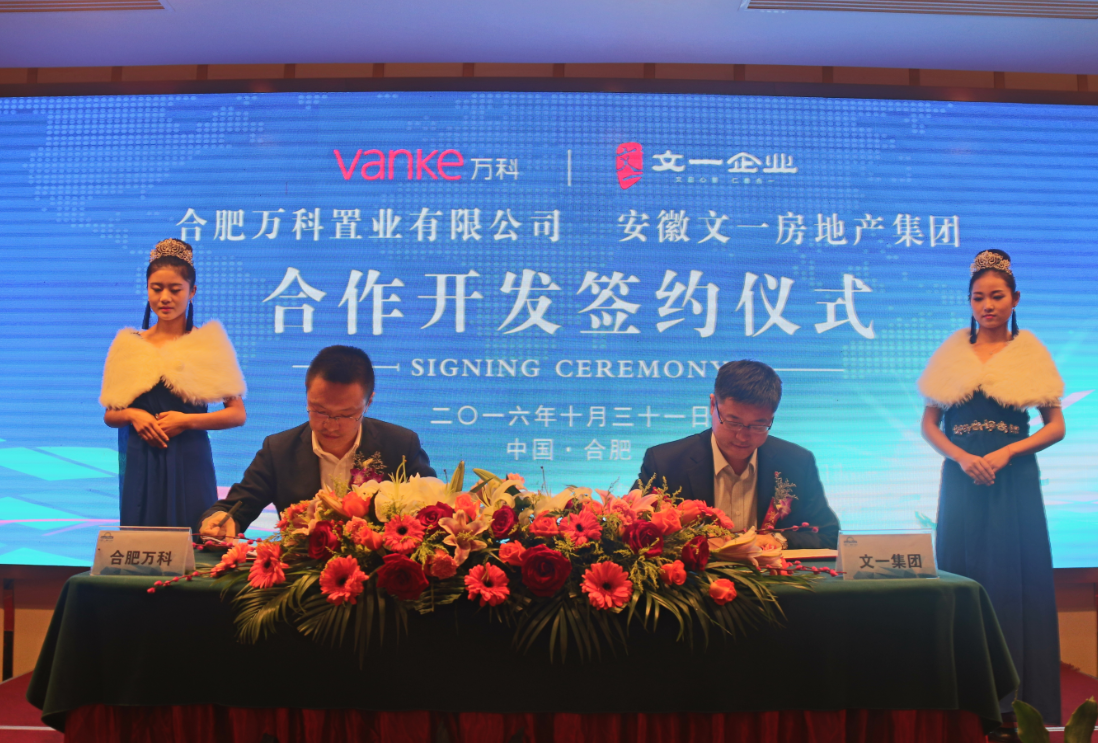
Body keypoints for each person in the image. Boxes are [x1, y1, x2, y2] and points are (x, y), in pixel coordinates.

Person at [918, 249, 1064, 735]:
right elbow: (930, 425)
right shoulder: (952, 353)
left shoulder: (1030, 353)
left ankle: (1020, 705)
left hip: (1013, 482)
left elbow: (1056, 426)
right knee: (964, 576)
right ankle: (965, 703)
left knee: (1015, 579)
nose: (987, 305)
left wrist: (1008, 452)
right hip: (962, 482)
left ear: (1015, 298)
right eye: (978, 297)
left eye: (997, 296)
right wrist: (961, 457)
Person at [200, 345, 435, 538]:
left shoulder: (400, 446)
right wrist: (220, 520)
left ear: (368, 403)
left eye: (346, 415)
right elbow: (235, 508)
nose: (331, 425)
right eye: (320, 411)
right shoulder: (279, 450)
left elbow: (434, 509)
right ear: (306, 395)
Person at [100, 238, 247, 530]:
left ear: (192, 292)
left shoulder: (208, 343)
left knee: (194, 538)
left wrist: (186, 421)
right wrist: (134, 414)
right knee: (141, 543)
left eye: (175, 289)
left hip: (190, 459)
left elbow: (237, 414)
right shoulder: (128, 344)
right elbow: (110, 415)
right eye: (156, 289)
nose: (165, 297)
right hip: (142, 463)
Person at [637, 360, 839, 550]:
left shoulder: (796, 463)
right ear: (713, 405)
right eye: (733, 422)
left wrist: (778, 540)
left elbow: (829, 535)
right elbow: (633, 532)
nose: (743, 436)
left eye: (759, 425)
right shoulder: (665, 463)